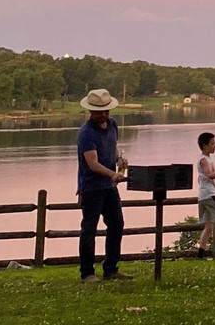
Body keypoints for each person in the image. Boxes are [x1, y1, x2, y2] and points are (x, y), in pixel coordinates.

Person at [77, 88, 131, 283]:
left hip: (109, 187)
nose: (103, 115)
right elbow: (92, 164)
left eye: (106, 110)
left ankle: (111, 269)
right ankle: (87, 273)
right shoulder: (86, 134)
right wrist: (112, 174)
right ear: (90, 111)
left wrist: (119, 159)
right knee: (89, 229)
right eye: (99, 111)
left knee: (117, 224)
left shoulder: (113, 125)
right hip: (91, 188)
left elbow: (113, 146)